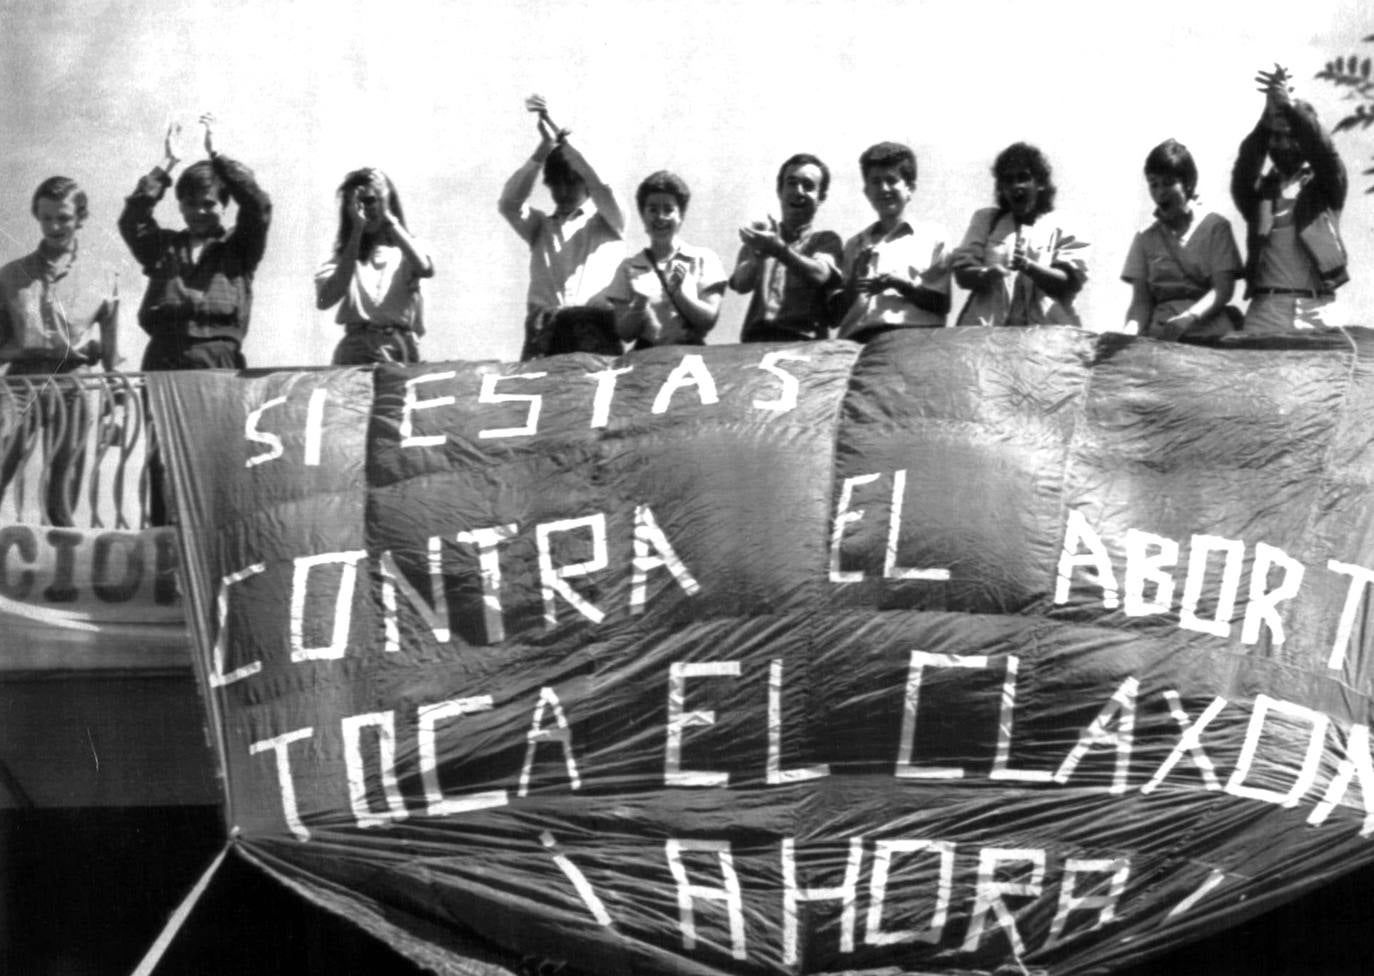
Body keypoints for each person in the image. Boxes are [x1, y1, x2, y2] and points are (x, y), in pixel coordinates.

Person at [0, 176, 115, 525]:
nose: (54, 226)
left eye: (63, 218)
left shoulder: (104, 276)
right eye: (46, 217)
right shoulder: (10, 275)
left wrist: (113, 397)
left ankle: (61, 573)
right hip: (22, 383)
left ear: (80, 218)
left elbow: (111, 347)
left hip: (76, 385)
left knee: (63, 491)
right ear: (37, 216)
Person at [118, 114, 271, 370]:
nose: (199, 211)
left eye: (209, 203)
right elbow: (132, 220)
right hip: (163, 358)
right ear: (180, 206)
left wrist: (218, 156)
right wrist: (167, 164)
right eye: (190, 204)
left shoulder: (239, 246)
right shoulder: (163, 247)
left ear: (224, 206)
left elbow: (258, 206)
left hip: (218, 360)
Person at [499, 95, 625, 359]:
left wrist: (562, 138)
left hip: (595, 327)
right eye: (557, 183)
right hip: (545, 331)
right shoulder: (540, 227)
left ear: (585, 184)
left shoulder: (609, 221)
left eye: (572, 182)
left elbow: (600, 184)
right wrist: (544, 148)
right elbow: (509, 203)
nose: (564, 190)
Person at [1231, 64, 1349, 334]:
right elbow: (1244, 168)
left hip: (1318, 311)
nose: (1282, 144)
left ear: (1304, 140)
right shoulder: (1258, 194)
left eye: (1291, 136)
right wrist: (1268, 116)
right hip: (1266, 311)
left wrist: (1290, 106)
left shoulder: (1326, 188)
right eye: (1275, 137)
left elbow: (1324, 153)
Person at [950, 142, 1088, 327]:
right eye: (1008, 180)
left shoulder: (1066, 224)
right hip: (988, 339)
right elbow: (962, 273)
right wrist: (986, 273)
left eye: (1023, 178)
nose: (1016, 186)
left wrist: (1029, 267)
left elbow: (1069, 282)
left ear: (1040, 183)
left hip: (1047, 341)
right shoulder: (987, 220)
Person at [1122, 139, 1244, 340]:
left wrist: (1187, 318)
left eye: (1169, 183)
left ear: (1187, 183)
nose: (1160, 191)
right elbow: (1141, 302)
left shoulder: (1215, 226)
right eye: (1154, 184)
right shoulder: (1145, 238)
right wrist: (1129, 334)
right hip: (1162, 336)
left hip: (1210, 333)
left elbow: (1223, 290)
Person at [315, 168, 434, 365]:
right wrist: (356, 231)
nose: (364, 209)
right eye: (355, 203)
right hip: (355, 346)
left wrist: (387, 217)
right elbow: (324, 299)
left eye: (370, 200)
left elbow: (425, 268)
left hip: (397, 345)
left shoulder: (408, 248)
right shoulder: (342, 257)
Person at [834, 142, 950, 341]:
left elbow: (941, 304)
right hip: (856, 344)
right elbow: (838, 315)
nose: (883, 189)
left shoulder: (933, 238)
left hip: (911, 341)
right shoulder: (854, 244)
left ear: (910, 187)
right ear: (867, 191)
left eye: (891, 180)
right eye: (875, 182)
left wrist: (898, 284)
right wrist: (853, 281)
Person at [728, 153, 843, 343]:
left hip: (804, 343)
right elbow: (741, 284)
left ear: (821, 197)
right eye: (791, 183)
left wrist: (779, 249)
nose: (798, 191)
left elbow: (821, 274)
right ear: (779, 190)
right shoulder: (761, 237)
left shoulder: (825, 240)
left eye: (808, 186)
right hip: (755, 342)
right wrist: (759, 253)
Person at [605, 171, 726, 350]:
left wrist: (678, 292)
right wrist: (639, 303)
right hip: (647, 359)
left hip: (690, 353)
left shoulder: (702, 258)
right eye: (652, 209)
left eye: (669, 209)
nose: (660, 216)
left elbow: (708, 320)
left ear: (681, 215)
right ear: (643, 215)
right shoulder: (628, 267)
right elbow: (624, 333)